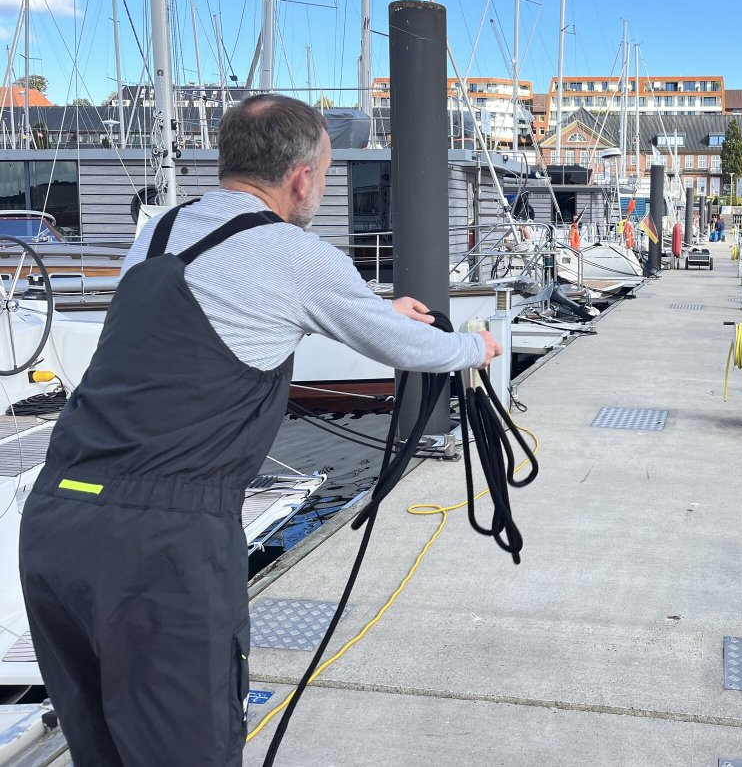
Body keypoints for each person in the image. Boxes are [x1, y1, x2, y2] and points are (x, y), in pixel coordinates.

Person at [19, 94, 500, 766]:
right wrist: (477, 349)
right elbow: (410, 347)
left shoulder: (158, 233)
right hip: (160, 546)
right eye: (326, 175)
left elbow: (242, 302)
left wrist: (369, 307)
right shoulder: (293, 253)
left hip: (55, 521)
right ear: (301, 177)